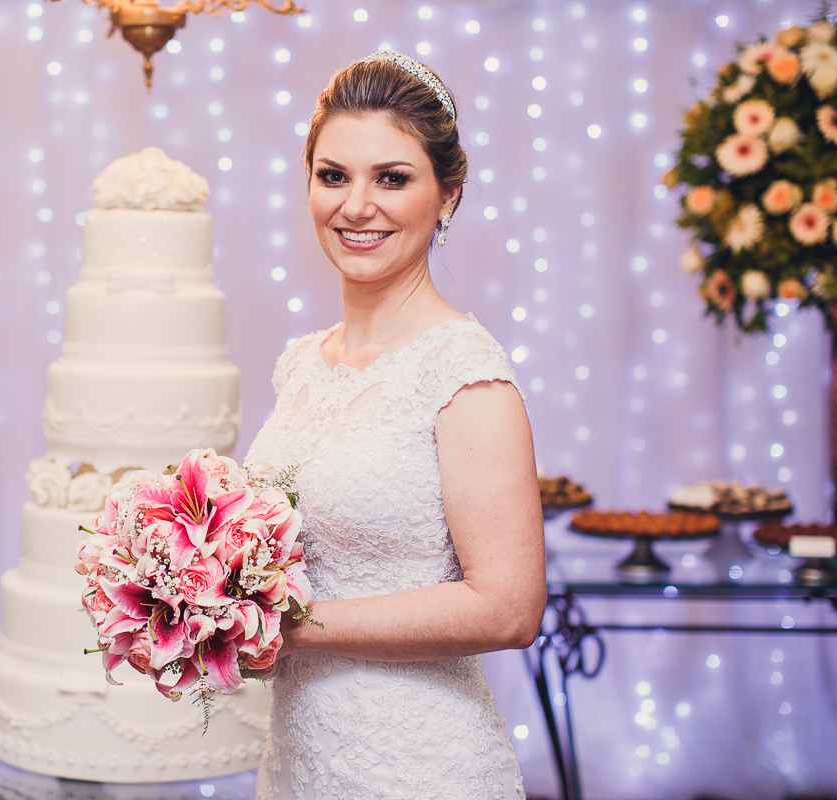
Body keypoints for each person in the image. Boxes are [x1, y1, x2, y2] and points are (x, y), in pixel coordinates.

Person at [245, 51, 545, 799]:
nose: (356, 206)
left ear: (447, 194)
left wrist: (283, 624)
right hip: (298, 759)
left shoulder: (465, 376)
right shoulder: (300, 364)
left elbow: (508, 607)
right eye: (333, 175)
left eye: (392, 177)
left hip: (418, 764)